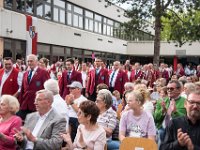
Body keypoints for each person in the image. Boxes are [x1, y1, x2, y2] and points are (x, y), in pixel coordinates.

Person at [153, 80, 187, 147]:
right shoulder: (162, 100)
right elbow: (155, 118)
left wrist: (175, 112)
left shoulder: (185, 102)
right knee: (160, 133)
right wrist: (163, 111)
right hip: (161, 128)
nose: (168, 90)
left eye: (171, 88)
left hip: (176, 130)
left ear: (179, 90)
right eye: (167, 88)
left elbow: (185, 120)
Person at [17, 54, 50, 120]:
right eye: (28, 61)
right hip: (25, 104)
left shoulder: (43, 72)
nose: (29, 63)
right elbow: (23, 90)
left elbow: (47, 90)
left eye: (31, 61)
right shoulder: (25, 73)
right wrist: (20, 103)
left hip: (36, 105)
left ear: (36, 62)